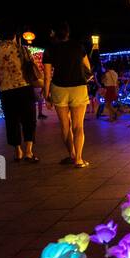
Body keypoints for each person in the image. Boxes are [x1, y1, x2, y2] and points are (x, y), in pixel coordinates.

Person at [42, 23, 93, 168]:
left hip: (59, 88)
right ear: (68, 33)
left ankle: (71, 154)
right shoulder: (78, 46)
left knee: (65, 126)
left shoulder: (50, 49)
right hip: (78, 87)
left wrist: (47, 95)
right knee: (78, 126)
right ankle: (79, 159)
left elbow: (47, 76)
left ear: (54, 33)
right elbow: (88, 68)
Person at [0, 29, 38, 161]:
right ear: (14, 35)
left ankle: (18, 151)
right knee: (29, 119)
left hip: (5, 89)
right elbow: (30, 65)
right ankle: (29, 151)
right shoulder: (22, 48)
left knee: (11, 120)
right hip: (24, 87)